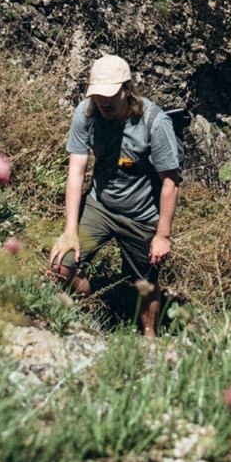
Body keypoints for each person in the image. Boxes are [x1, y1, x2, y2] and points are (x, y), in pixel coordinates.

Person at [49, 55, 182, 336]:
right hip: (100, 204)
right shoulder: (86, 113)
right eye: (98, 95)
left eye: (109, 95)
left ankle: (149, 337)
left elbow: (170, 182)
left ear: (127, 89)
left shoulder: (154, 123)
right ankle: (95, 313)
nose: (103, 102)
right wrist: (69, 230)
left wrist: (163, 235)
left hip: (141, 214)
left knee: (144, 282)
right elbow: (76, 170)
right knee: (62, 264)